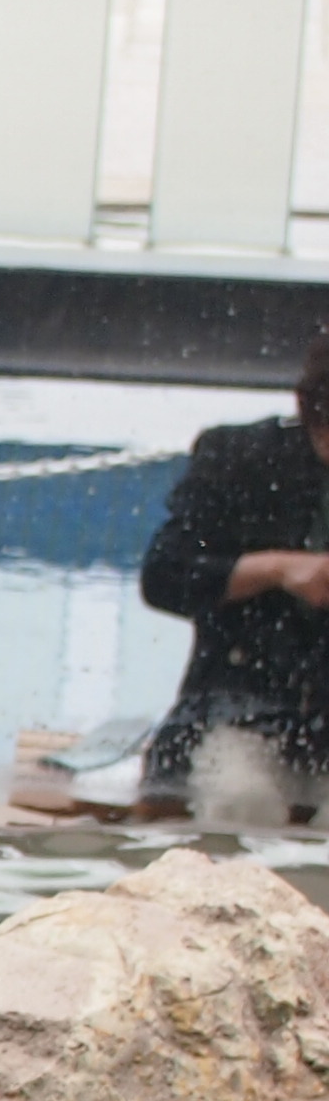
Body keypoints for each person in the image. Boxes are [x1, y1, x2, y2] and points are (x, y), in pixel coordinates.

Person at [134, 327, 329, 807]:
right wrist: (277, 570)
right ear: (310, 413)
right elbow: (165, 576)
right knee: (240, 800)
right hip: (235, 713)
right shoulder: (242, 460)